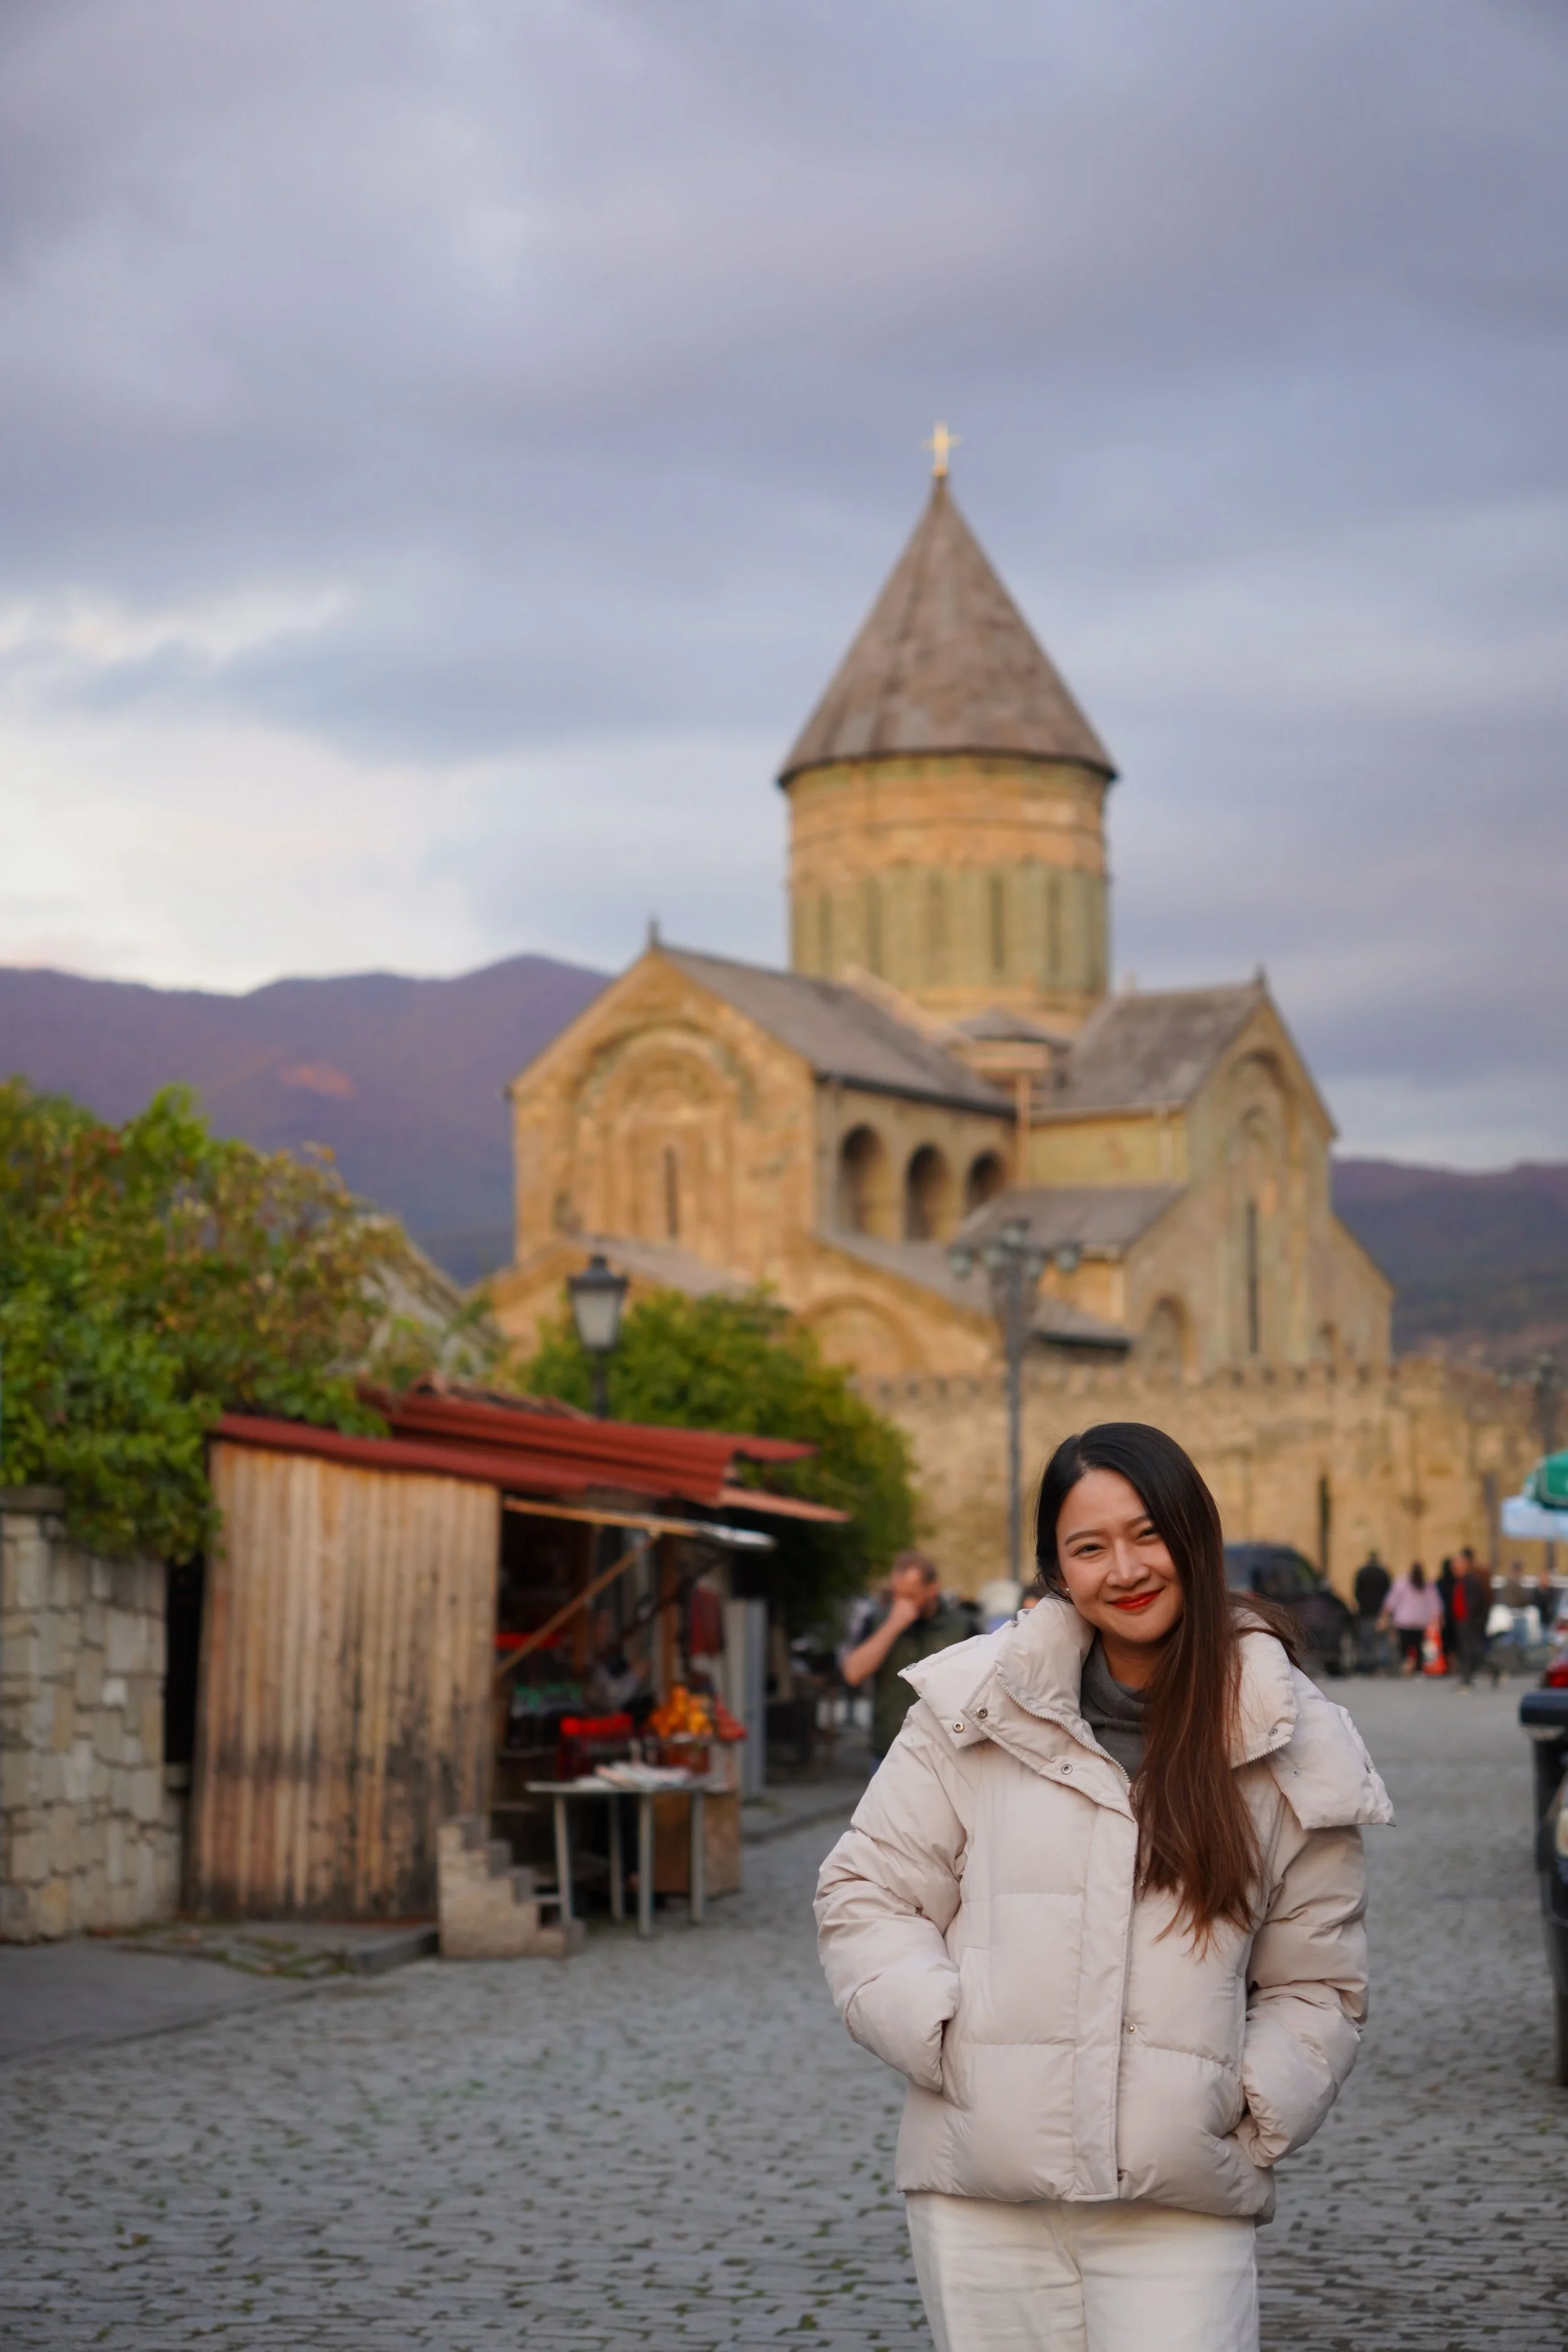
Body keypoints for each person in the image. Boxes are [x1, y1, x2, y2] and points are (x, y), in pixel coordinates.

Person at [817, 1421, 1391, 2352]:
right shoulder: (973, 1711)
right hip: (981, 2198)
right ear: (1056, 1568)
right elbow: (865, 1893)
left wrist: (1246, 2102)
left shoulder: (1289, 1738)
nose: (1123, 1568)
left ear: (1194, 1534)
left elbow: (1316, 1982)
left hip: (1179, 2204)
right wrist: (944, 2035)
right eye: (1089, 1547)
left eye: (1146, 1533)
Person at [840, 1550, 971, 1761]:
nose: (902, 1604)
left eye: (910, 1596)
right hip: (890, 1751)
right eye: (897, 1596)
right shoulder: (877, 1621)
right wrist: (893, 1625)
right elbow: (853, 1674)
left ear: (932, 1589)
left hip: (946, 1753)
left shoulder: (962, 1626)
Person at [1382, 1563, 1439, 1675]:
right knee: (1419, 1648)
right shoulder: (1427, 1584)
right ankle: (1418, 1668)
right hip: (1421, 1622)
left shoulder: (1401, 1583)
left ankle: (1407, 1664)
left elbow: (1391, 1602)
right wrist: (1437, 1619)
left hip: (1404, 1622)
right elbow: (1435, 1604)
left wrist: (1384, 1616)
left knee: (1404, 1648)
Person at [1454, 1548, 1495, 1690]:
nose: (1456, 1568)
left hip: (1470, 1622)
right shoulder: (1462, 1581)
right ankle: (1491, 1671)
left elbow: (1478, 1603)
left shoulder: (1472, 1581)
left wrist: (1476, 1620)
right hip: (1463, 1621)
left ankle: (1467, 1680)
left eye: (1459, 1564)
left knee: (1471, 1652)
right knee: (1470, 1652)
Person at [1352, 1550, 1392, 1674]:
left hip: (1365, 1611)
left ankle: (1366, 1666)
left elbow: (1356, 1592)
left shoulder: (1362, 1573)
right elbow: (1389, 1593)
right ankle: (1383, 1665)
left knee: (1366, 1641)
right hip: (1380, 1612)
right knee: (1382, 1641)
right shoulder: (1383, 1573)